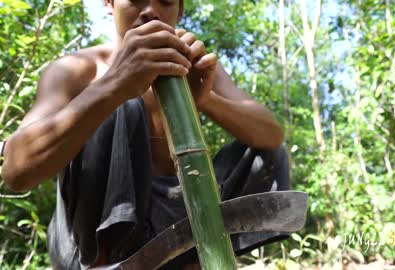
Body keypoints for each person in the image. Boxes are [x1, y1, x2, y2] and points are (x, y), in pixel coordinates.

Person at [1, 0, 290, 269]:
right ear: (109, 3)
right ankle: (107, 259)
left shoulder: (195, 64)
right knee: (122, 106)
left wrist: (204, 100)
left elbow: (272, 135)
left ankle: (200, 258)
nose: (150, 10)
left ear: (180, 11)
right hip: (90, 244)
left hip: (178, 225)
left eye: (165, 0)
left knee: (263, 148)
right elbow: (16, 171)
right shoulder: (76, 69)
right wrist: (114, 84)